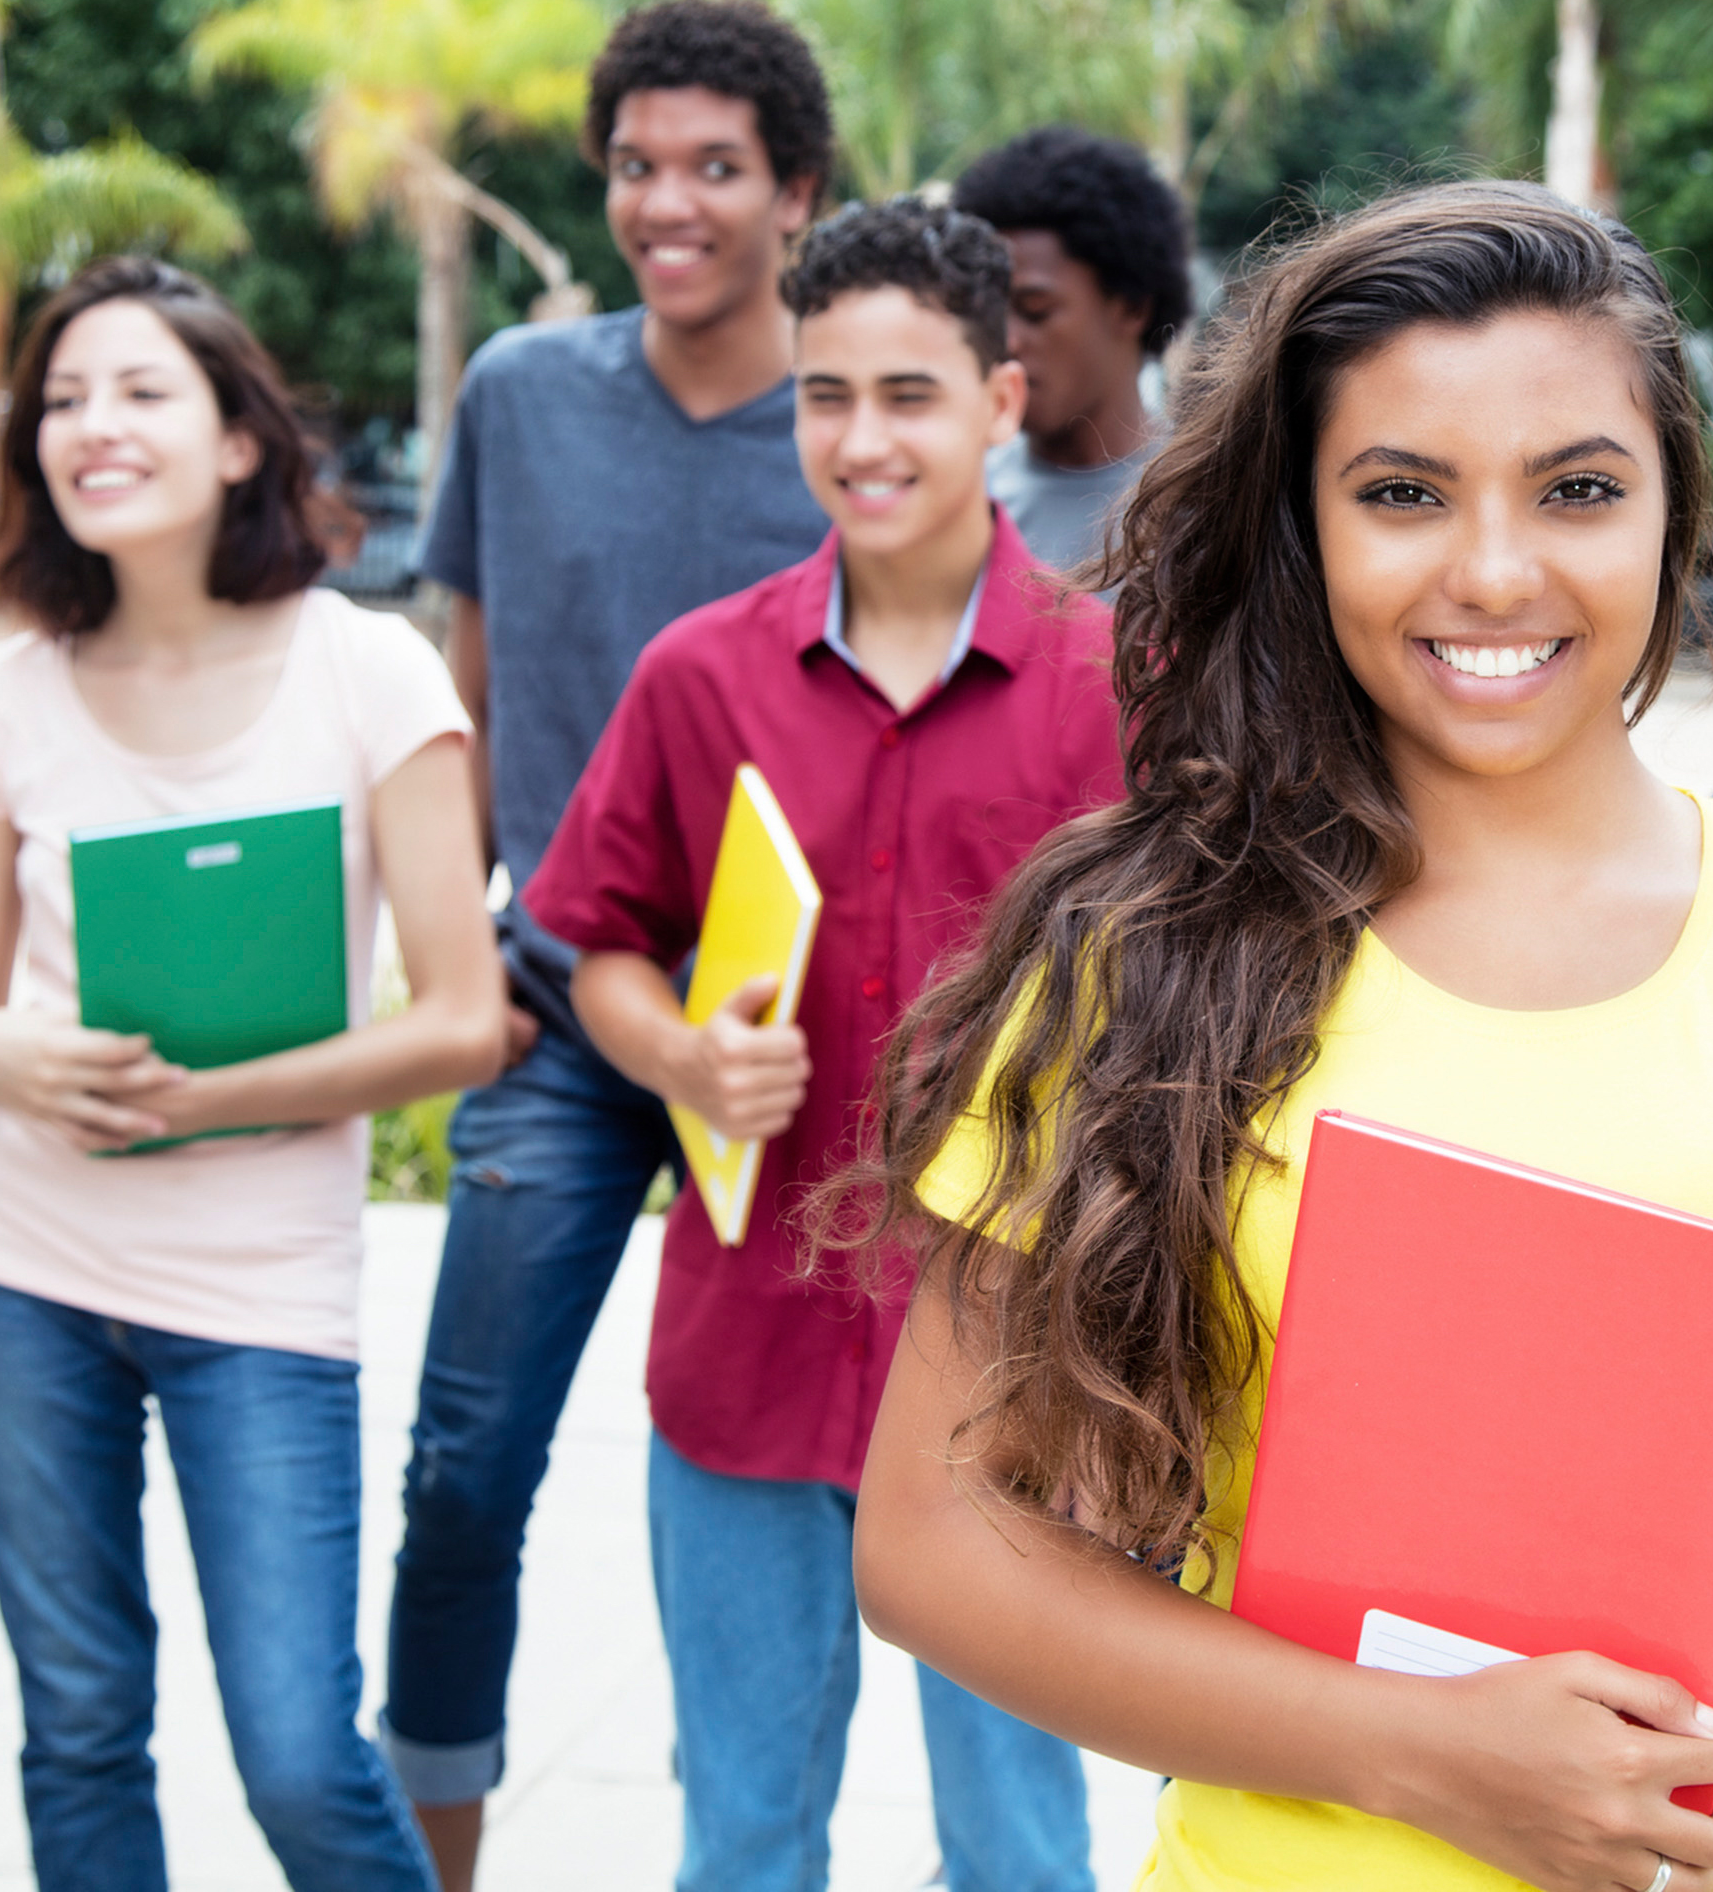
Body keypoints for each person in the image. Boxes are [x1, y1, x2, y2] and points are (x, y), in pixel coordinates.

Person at [829, 182, 1713, 1892]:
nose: (1493, 569)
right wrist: (1420, 1755)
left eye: (1575, 489)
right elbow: (931, 1542)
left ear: (1668, 512)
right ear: (1304, 530)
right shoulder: (1143, 956)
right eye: (1400, 493)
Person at [524, 197, 1118, 1892]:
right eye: (823, 395)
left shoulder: (1112, 681)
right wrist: (683, 1054)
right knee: (741, 1838)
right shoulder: (697, 678)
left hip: (1013, 1371)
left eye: (908, 395)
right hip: (748, 1354)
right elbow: (600, 947)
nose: (861, 440)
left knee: (1019, 1849)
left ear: (1000, 404)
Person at [0, 256, 504, 1892]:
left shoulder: (365, 671)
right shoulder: (5, 698)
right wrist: (9, 1056)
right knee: (83, 1721)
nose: (91, 424)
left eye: (138, 390)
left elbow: (463, 1015)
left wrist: (207, 1098)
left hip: (260, 1292)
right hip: (18, 1264)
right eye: (62, 400)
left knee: (304, 1759)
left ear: (239, 439)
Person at [378, 6, 835, 1881]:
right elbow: (450, 691)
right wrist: (455, 952)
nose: (669, 202)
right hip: (562, 1009)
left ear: (796, 195)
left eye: (714, 167)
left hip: (799, 1031)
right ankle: (435, 1858)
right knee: (466, 1468)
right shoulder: (519, 388)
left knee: (773, 1482)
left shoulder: (853, 421)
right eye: (638, 165)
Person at [950, 124, 1192, 572]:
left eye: (1035, 310)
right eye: (985, 311)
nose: (1004, 341)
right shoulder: (956, 504)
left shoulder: (1208, 508)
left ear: (1132, 307)